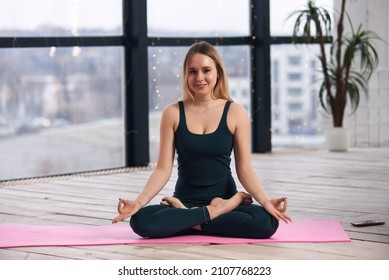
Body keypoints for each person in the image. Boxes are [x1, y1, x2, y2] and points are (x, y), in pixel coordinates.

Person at [112, 41, 291, 239]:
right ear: (186, 75)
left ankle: (193, 219)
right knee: (140, 221)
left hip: (224, 200)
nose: (199, 78)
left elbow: (245, 169)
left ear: (218, 73)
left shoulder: (235, 112)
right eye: (193, 72)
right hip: (185, 201)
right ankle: (211, 213)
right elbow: (163, 169)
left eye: (206, 70)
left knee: (267, 223)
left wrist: (265, 202)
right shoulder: (172, 113)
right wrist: (138, 202)